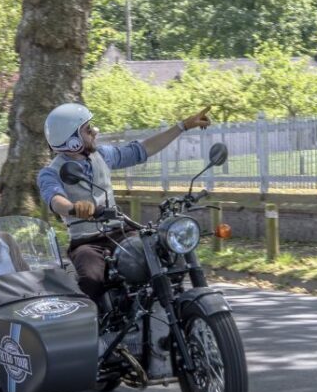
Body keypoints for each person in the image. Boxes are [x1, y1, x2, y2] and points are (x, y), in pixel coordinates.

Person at [37, 103, 211, 302]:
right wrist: (73, 208)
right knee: (91, 280)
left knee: (165, 257)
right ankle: (95, 326)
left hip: (122, 231)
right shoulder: (50, 173)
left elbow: (143, 149)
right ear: (73, 140)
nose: (95, 131)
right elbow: (55, 199)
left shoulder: (102, 155)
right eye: (87, 129)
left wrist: (183, 126)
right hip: (87, 243)